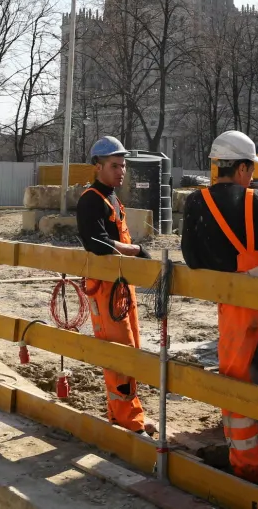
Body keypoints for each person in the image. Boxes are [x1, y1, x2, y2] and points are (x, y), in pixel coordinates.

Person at [181, 130, 258, 496]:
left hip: (235, 304)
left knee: (234, 386)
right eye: (251, 169)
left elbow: (192, 258)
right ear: (240, 168)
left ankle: (248, 471)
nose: (253, 177)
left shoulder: (196, 203)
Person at [74, 135, 154, 434]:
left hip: (121, 286)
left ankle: (125, 415)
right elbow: (97, 242)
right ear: (98, 166)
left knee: (130, 350)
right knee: (119, 353)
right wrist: (136, 251)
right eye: (114, 166)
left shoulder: (112, 199)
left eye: (123, 166)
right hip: (106, 289)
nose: (121, 171)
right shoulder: (91, 200)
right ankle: (128, 422)